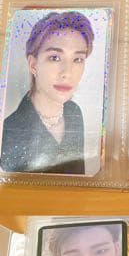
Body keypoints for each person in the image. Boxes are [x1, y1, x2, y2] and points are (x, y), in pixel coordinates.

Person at [1, 11, 95, 175]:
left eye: (77, 59)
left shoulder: (74, 112)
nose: (67, 73)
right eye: (55, 58)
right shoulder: (9, 130)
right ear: (33, 65)